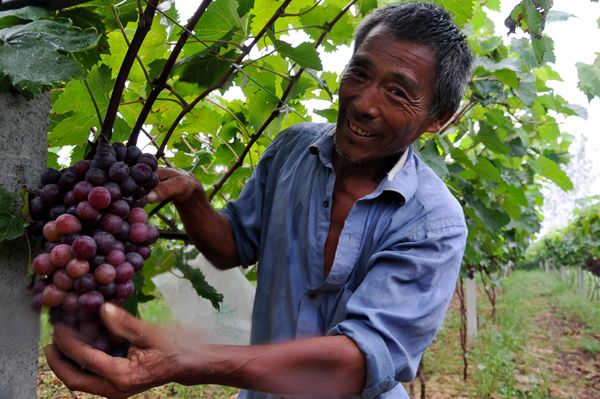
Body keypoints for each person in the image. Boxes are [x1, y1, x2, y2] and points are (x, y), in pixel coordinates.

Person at [45, 2, 473, 398]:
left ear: (436, 119)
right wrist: (192, 198)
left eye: (398, 92)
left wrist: (192, 360)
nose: (363, 103)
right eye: (359, 73)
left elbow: (359, 361)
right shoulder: (292, 149)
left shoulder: (433, 222)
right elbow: (233, 247)